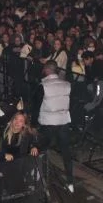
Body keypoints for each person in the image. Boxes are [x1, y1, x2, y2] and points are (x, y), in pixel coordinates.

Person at [38, 61, 74, 192]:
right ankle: (70, 182)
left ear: (47, 70)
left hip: (48, 122)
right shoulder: (67, 85)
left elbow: (37, 104)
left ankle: (38, 177)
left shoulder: (43, 85)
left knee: (41, 149)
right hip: (63, 121)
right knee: (66, 151)